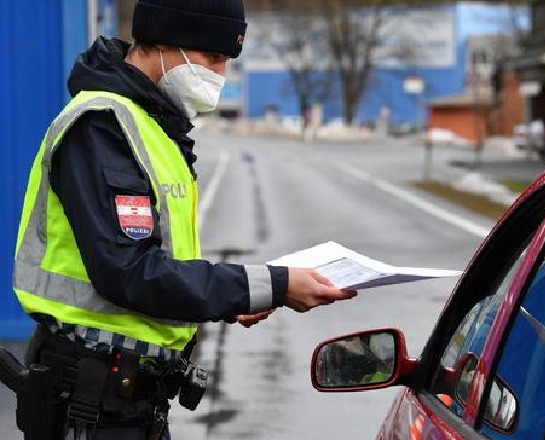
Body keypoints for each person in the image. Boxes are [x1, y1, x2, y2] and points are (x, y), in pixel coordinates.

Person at [11, 0, 357, 438]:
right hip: (90, 404)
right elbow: (128, 270)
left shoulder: (152, 126)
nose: (220, 75)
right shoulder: (101, 126)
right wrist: (273, 284)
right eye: (213, 58)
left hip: (128, 401)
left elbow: (159, 262)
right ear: (163, 42)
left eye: (227, 61)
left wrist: (233, 300)